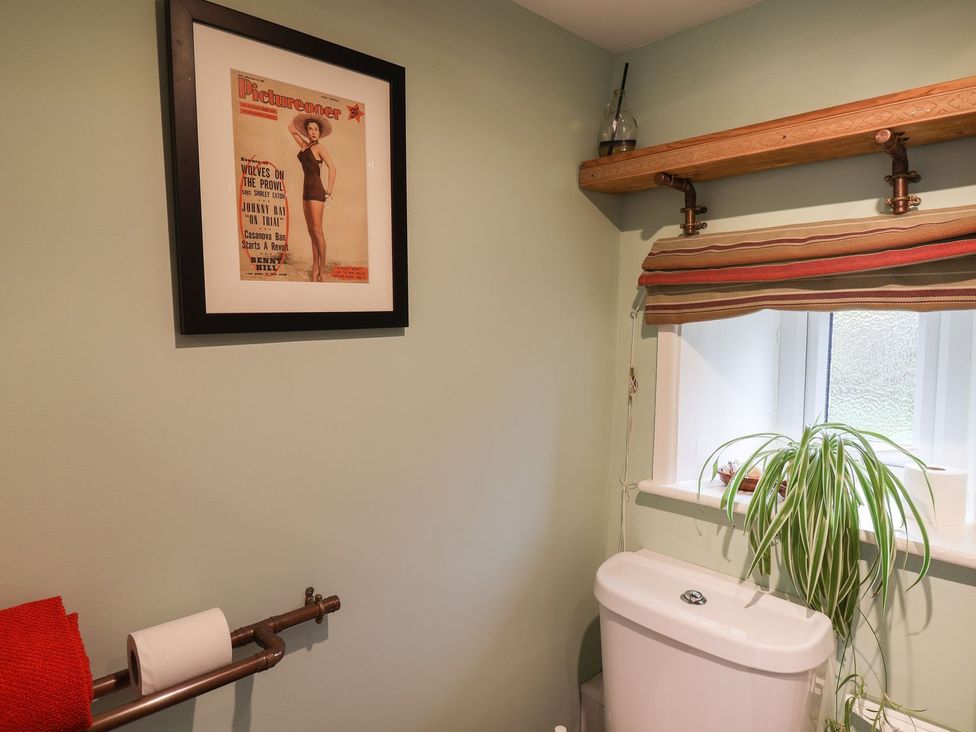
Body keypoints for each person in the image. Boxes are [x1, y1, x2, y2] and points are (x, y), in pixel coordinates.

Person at [288, 113, 336, 282]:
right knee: (311, 232)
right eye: (310, 128)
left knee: (318, 231)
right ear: (307, 131)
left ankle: (322, 270)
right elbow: (291, 129)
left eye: (316, 129)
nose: (314, 132)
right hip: (305, 192)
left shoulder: (319, 148)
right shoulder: (304, 146)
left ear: (320, 133)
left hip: (316, 191)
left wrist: (328, 191)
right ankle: (315, 267)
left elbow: (333, 168)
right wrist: (301, 119)